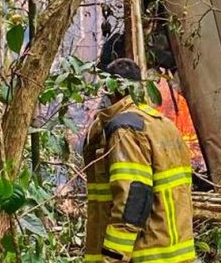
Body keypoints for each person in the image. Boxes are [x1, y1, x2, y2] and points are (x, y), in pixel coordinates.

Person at [83, 58, 195, 262]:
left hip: (145, 253)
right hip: (175, 252)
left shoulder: (126, 129)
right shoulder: (163, 124)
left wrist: (112, 257)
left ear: (112, 88)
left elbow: (131, 200)